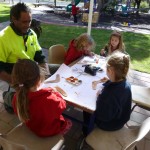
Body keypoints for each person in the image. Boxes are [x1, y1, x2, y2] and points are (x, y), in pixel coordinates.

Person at [0, 3, 59, 112]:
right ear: (14, 19)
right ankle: (7, 97)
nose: (28, 25)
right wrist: (16, 83)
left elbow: (40, 58)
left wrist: (46, 75)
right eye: (24, 22)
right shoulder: (3, 38)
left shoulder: (31, 34)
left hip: (33, 71)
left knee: (60, 69)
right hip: (17, 76)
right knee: (31, 102)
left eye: (30, 21)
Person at [11, 59, 72, 137]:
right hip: (49, 131)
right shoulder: (49, 99)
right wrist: (55, 92)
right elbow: (63, 105)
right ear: (38, 80)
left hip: (32, 127)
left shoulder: (17, 97)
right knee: (68, 123)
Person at [83, 51, 132, 135]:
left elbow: (102, 115)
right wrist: (109, 81)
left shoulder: (109, 94)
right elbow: (114, 89)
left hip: (109, 124)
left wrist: (99, 97)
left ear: (110, 71)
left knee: (86, 110)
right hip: (121, 119)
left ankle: (85, 131)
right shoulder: (126, 83)